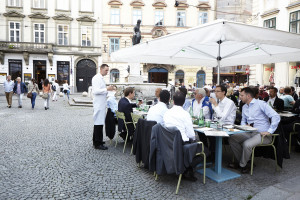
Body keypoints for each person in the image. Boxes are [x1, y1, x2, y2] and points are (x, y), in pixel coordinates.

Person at [228, 87, 280, 173]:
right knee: (232, 138)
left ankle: (242, 165)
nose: (239, 97)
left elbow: (275, 116)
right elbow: (243, 121)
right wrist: (244, 126)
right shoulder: (244, 107)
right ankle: (245, 162)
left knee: (246, 144)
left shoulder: (260, 104)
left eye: (241, 95)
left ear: (248, 96)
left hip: (262, 134)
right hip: (249, 132)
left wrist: (269, 131)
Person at [163, 91, 206, 181]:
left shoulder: (167, 113)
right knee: (205, 151)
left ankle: (184, 167)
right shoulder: (185, 114)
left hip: (167, 143)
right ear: (183, 102)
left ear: (173, 101)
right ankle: (186, 168)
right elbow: (191, 135)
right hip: (181, 144)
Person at [92, 64, 114, 150]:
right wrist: (107, 89)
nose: (107, 72)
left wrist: (107, 92)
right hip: (99, 104)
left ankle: (96, 140)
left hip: (101, 103)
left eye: (108, 70)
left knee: (99, 122)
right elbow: (96, 91)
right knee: (98, 123)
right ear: (101, 69)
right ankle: (98, 143)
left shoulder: (100, 78)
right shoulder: (97, 78)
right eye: (106, 70)